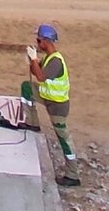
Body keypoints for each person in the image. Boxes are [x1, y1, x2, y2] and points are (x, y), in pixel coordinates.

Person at [22, 23, 77, 186]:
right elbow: (36, 72)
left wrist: (33, 60)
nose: (37, 43)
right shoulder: (49, 58)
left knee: (64, 139)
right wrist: (32, 62)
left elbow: (41, 77)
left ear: (46, 40)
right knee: (27, 88)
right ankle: (32, 123)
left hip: (57, 106)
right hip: (48, 97)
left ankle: (72, 174)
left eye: (39, 40)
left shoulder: (56, 62)